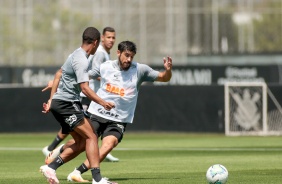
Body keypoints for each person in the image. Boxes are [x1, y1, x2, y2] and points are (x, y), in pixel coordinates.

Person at [45, 40, 173, 182]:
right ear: (118, 53)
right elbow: (82, 75)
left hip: (119, 119)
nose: (129, 59)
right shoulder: (105, 67)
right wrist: (57, 82)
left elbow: (163, 78)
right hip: (97, 113)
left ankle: (77, 172)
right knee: (82, 143)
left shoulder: (140, 70)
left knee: (108, 145)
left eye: (132, 56)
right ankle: (60, 153)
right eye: (126, 55)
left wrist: (168, 71)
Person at [39, 27, 115, 184]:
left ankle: (51, 167)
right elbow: (85, 89)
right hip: (67, 104)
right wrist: (103, 102)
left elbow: (59, 73)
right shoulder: (81, 60)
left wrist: (52, 100)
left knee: (81, 142)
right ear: (95, 42)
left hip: (62, 103)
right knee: (92, 136)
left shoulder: (76, 54)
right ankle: (98, 179)